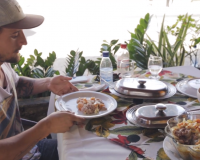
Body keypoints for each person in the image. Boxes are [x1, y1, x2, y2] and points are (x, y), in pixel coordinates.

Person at [0, 0, 85, 160]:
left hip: (29, 151)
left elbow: (16, 84)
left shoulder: (3, 64)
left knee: (86, 147)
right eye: (14, 35)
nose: (24, 41)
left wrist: (48, 83)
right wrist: (46, 127)